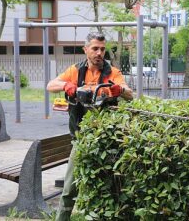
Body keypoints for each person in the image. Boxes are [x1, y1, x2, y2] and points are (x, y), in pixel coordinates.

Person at [47, 32, 133, 221]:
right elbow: (50, 85)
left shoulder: (113, 73)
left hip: (109, 139)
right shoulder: (76, 71)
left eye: (102, 49)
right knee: (69, 189)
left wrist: (119, 90)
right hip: (81, 138)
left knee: (112, 187)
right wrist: (67, 86)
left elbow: (130, 94)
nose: (99, 53)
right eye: (95, 48)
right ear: (85, 49)